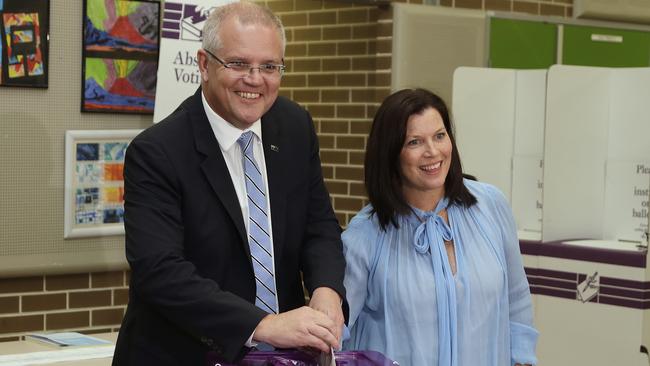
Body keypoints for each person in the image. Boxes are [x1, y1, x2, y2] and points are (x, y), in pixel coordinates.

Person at [113, 2, 346, 364]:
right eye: (238, 64)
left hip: (279, 357)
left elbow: (319, 227)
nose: (255, 79)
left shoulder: (295, 126)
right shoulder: (156, 152)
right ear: (204, 65)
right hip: (183, 354)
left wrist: (327, 290)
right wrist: (263, 324)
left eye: (269, 66)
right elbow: (160, 272)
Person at [341, 88, 538, 366]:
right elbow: (335, 329)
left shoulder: (491, 205)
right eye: (414, 142)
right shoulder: (364, 234)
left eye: (439, 136)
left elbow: (516, 299)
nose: (432, 152)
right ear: (390, 153)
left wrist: (522, 360)